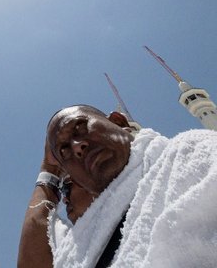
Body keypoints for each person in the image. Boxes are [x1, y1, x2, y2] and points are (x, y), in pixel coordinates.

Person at [18, 104, 217, 268]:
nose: (77, 146)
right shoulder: (81, 244)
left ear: (119, 122)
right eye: (64, 150)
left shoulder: (192, 153)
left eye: (80, 127)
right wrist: (49, 171)